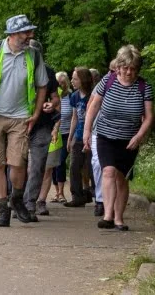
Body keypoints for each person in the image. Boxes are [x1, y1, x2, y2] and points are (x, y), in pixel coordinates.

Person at [0, 14, 48, 227]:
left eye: (30, 32)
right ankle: (3, 209)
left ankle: (17, 198)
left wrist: (37, 112)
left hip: (21, 116)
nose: (30, 36)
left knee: (18, 163)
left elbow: (42, 86)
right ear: (12, 34)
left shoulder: (33, 55)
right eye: (25, 32)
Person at [83, 45, 154, 231]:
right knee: (108, 172)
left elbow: (149, 117)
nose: (129, 72)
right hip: (105, 135)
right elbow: (93, 107)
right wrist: (87, 131)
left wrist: (139, 136)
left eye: (133, 69)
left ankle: (119, 218)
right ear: (118, 67)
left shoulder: (143, 87)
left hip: (129, 139)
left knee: (121, 178)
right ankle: (107, 216)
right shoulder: (108, 80)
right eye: (125, 68)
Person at [22, 40, 59, 222]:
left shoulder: (48, 72)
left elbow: (55, 98)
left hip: (42, 125)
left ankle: (29, 204)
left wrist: (51, 105)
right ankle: (16, 201)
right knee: (17, 165)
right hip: (19, 123)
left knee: (37, 166)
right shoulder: (16, 69)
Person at [64, 67, 94, 207]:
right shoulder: (75, 96)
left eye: (75, 78)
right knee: (74, 166)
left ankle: (95, 195)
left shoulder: (94, 95)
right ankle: (77, 196)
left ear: (83, 80)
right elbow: (75, 117)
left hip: (93, 135)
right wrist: (70, 138)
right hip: (78, 135)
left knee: (91, 167)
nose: (72, 81)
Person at [52, 71, 71, 203]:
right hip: (54, 133)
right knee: (53, 163)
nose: (61, 85)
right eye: (58, 83)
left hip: (67, 133)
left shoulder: (71, 96)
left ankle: (61, 192)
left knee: (60, 161)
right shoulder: (52, 97)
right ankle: (56, 192)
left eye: (63, 83)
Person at [88, 67, 104, 216]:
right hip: (98, 131)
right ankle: (100, 200)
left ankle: (113, 202)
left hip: (120, 132)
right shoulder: (101, 86)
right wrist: (87, 131)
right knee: (97, 163)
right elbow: (90, 107)